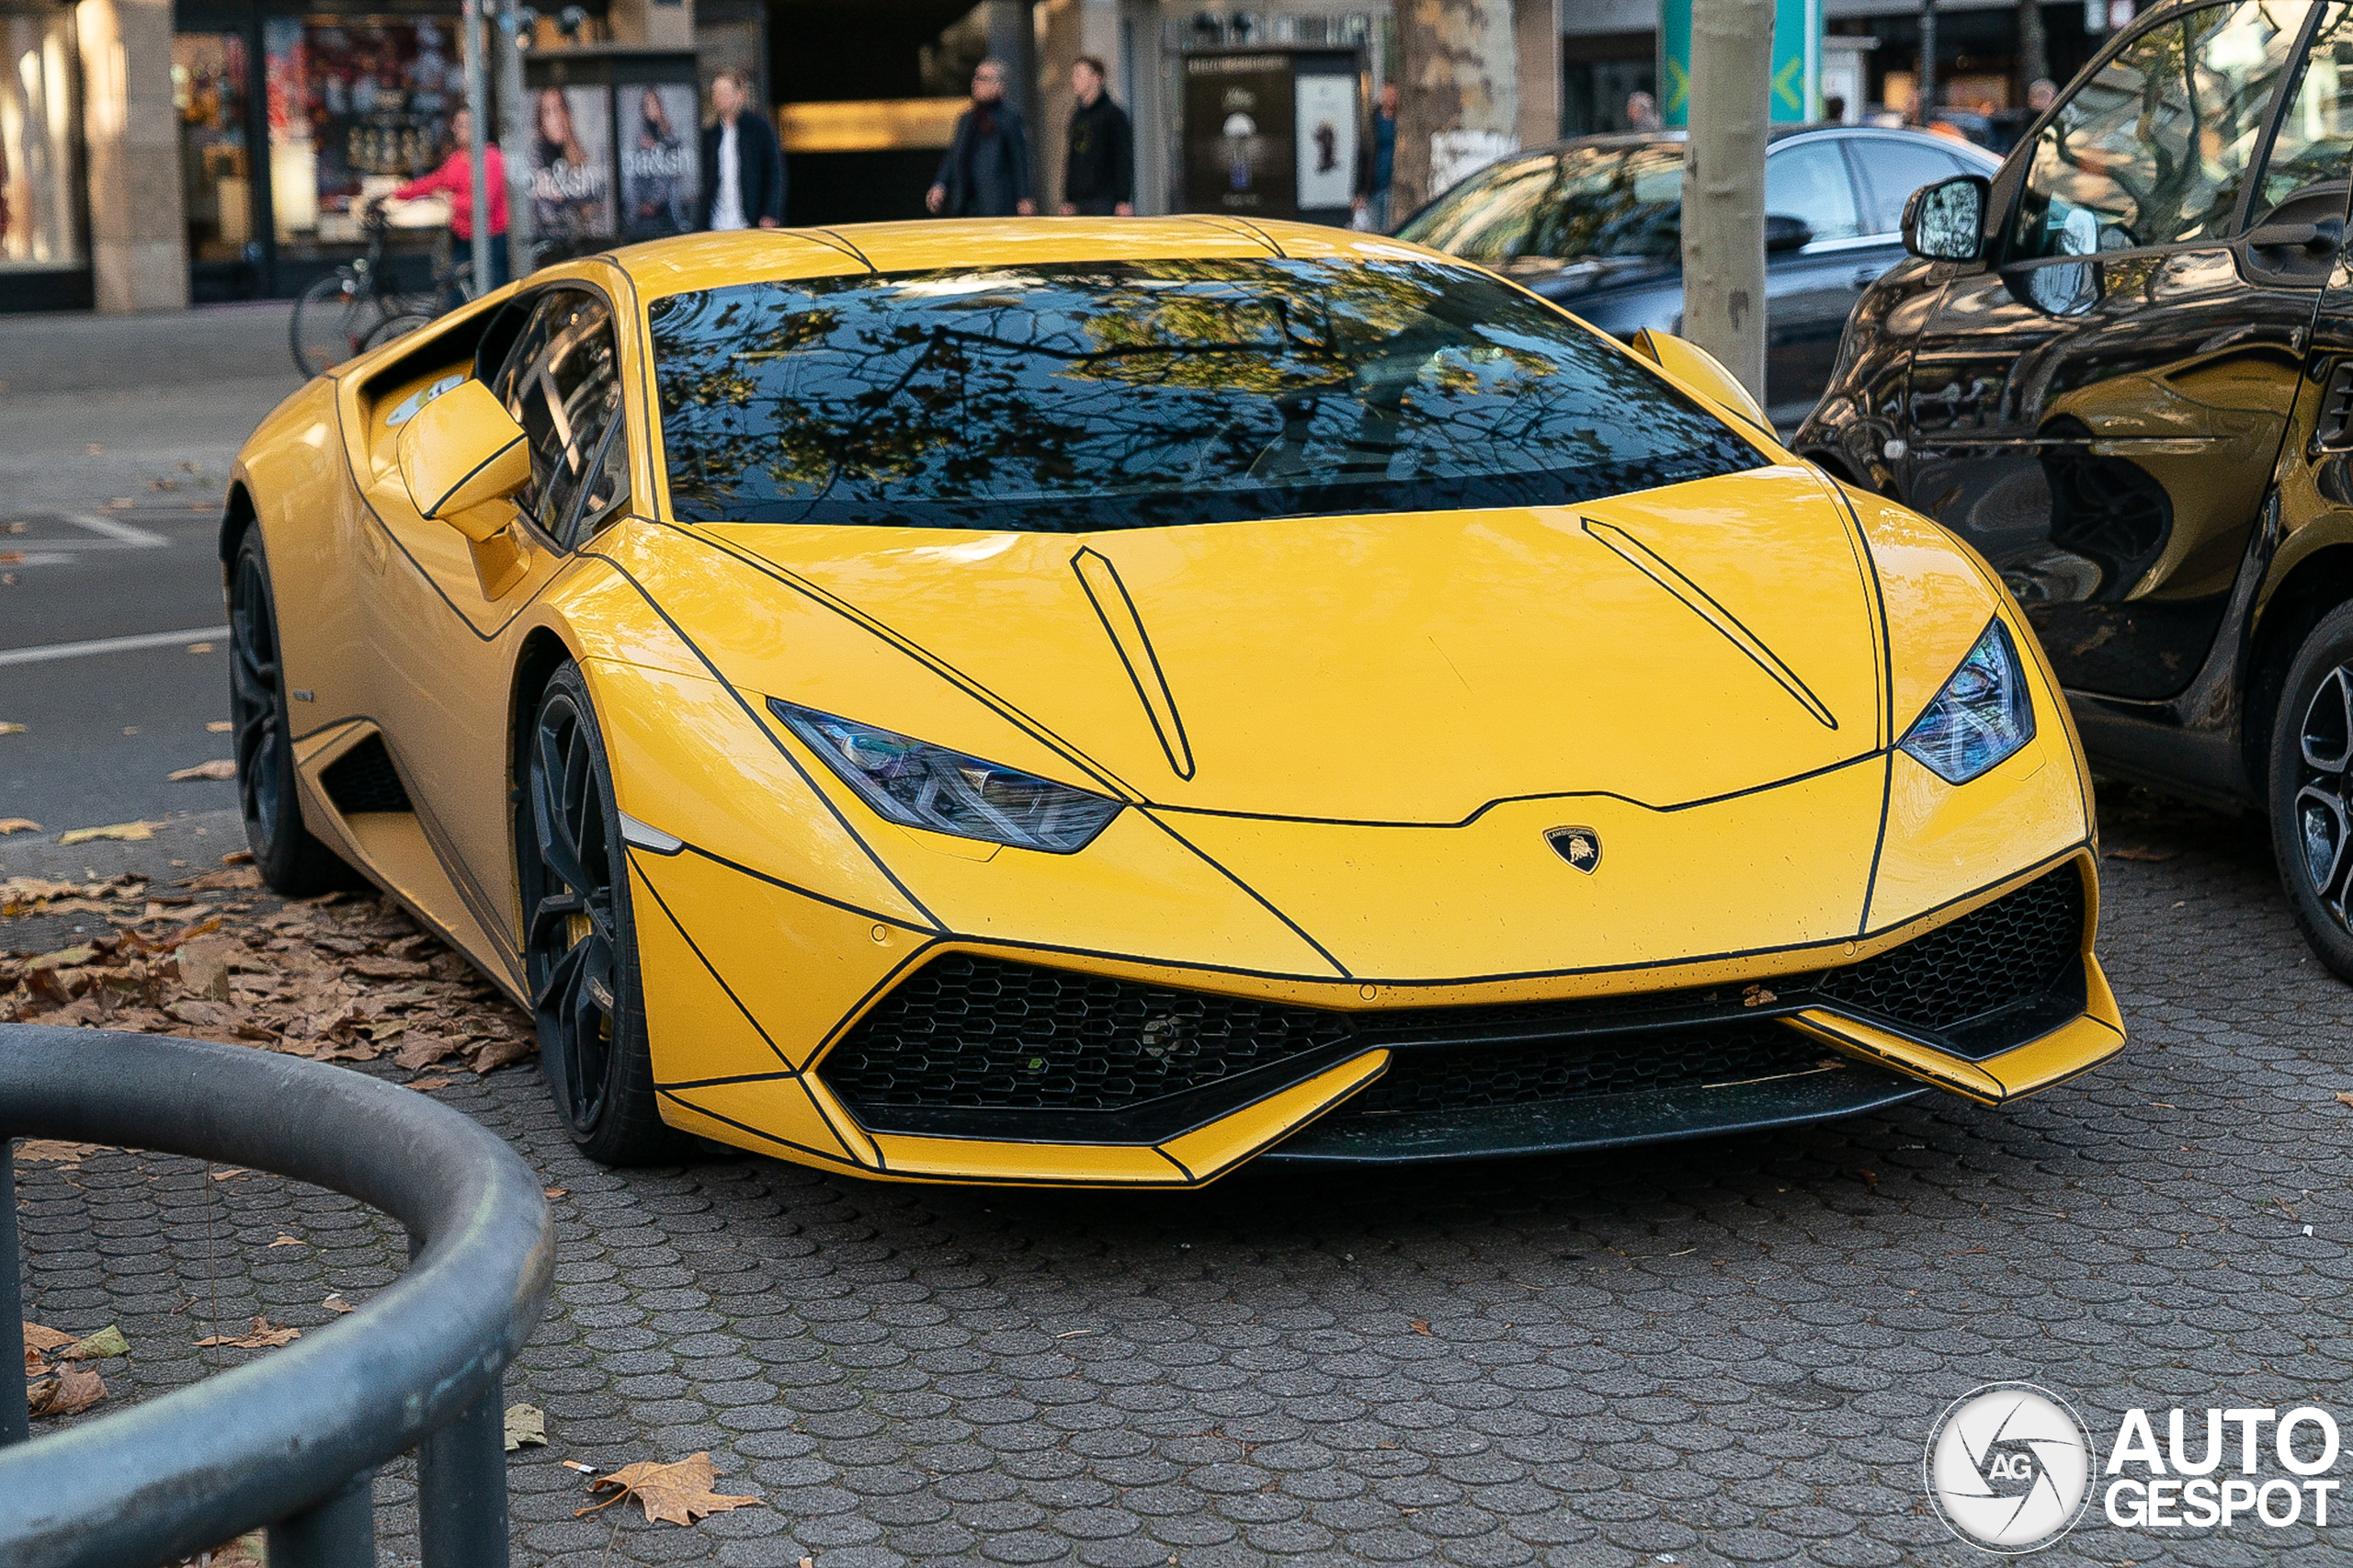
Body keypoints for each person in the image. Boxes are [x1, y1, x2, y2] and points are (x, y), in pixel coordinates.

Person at [385, 106, 509, 310]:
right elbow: (434, 182)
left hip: (490, 240)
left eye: (465, 125)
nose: (459, 129)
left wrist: (450, 200)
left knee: (493, 299)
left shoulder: (491, 158)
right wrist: (396, 193)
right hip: (462, 239)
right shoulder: (457, 159)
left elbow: (482, 204)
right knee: (455, 298)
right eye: (458, 124)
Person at [928, 59, 1036, 217]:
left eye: (983, 79)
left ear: (999, 85)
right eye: (975, 77)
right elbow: (953, 156)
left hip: (997, 205)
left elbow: (1019, 160)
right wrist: (940, 184)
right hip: (965, 205)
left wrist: (1024, 197)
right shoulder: (967, 119)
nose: (976, 83)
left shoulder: (1009, 118)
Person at [700, 69, 786, 230]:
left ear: (740, 95)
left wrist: (770, 212)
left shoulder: (759, 129)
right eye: (715, 92)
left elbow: (775, 172)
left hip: (750, 222)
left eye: (724, 92)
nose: (718, 97)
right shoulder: (710, 135)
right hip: (716, 224)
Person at [1059, 55, 1132, 216]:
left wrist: (1123, 199)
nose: (1074, 80)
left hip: (1105, 199)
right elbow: (1073, 158)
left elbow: (1122, 157)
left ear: (1097, 78)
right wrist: (1068, 198)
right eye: (1073, 75)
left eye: (1079, 75)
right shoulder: (1077, 116)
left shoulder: (1113, 115)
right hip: (1079, 201)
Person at [1351, 81, 1399, 232]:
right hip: (1374, 187)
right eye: (1387, 94)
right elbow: (1362, 158)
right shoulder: (1373, 122)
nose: (1391, 98)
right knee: (1374, 232)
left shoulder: (1402, 122)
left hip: (1395, 187)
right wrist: (1359, 193)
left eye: (1393, 95)